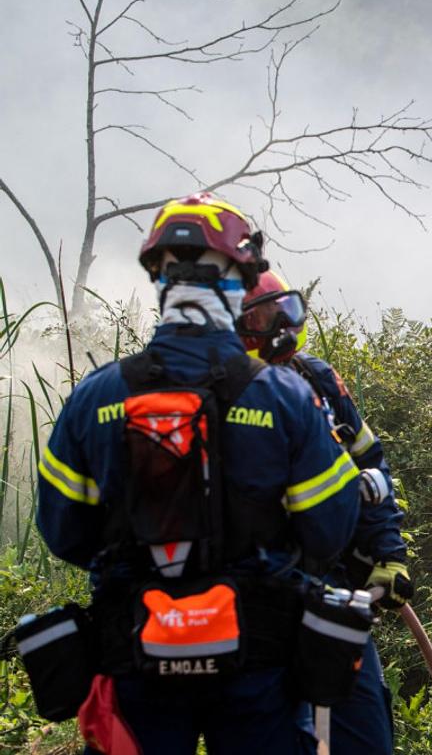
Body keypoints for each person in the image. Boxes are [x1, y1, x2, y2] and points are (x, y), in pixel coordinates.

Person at [35, 192, 360, 754]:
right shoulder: (283, 395)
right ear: (237, 277)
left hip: (134, 664)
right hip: (258, 670)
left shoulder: (94, 398)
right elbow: (329, 532)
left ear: (159, 277)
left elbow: (63, 532)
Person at [240, 270, 412, 755]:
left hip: (334, 592)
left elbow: (371, 468)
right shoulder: (222, 396)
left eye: (285, 311)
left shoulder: (316, 377)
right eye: (264, 317)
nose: (281, 327)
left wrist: (388, 554)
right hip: (257, 604)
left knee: (363, 734)